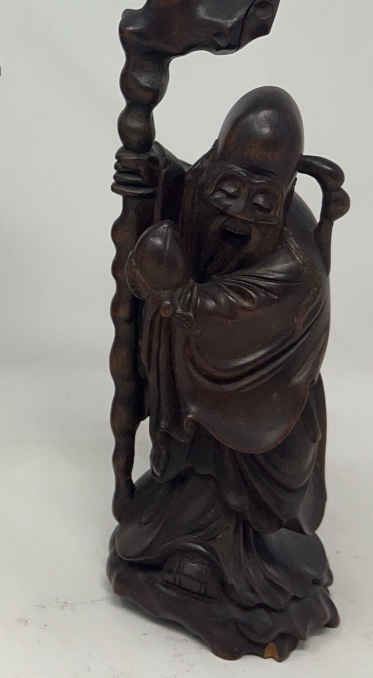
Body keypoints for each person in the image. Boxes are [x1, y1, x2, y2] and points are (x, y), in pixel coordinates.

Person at [110, 86, 347, 618]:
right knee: (186, 488)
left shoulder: (295, 268)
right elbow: (180, 182)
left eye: (261, 201)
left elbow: (219, 309)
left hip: (260, 411)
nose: (239, 211)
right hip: (196, 399)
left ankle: (232, 567)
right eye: (229, 188)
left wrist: (172, 294)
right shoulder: (204, 185)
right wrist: (149, 170)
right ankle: (182, 545)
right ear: (213, 165)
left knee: (231, 499)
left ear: (285, 195)